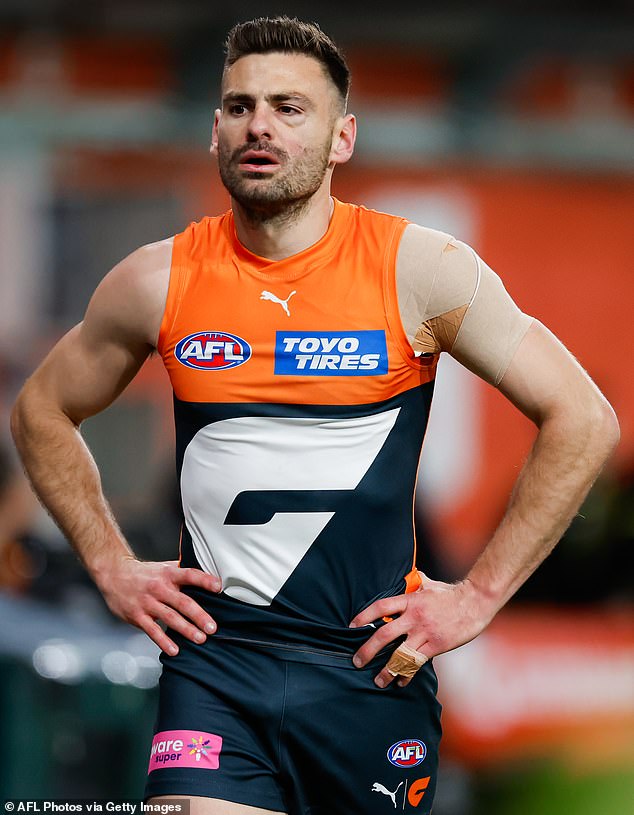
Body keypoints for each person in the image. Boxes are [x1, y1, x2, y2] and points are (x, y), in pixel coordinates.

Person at [11, 16, 619, 815]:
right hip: (216, 670)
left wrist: (477, 595)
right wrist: (111, 564)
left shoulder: (419, 270)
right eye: (239, 106)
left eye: (290, 108)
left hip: (369, 675)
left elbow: (584, 418)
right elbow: (42, 410)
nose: (259, 124)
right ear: (216, 131)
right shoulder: (158, 280)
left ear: (343, 138)